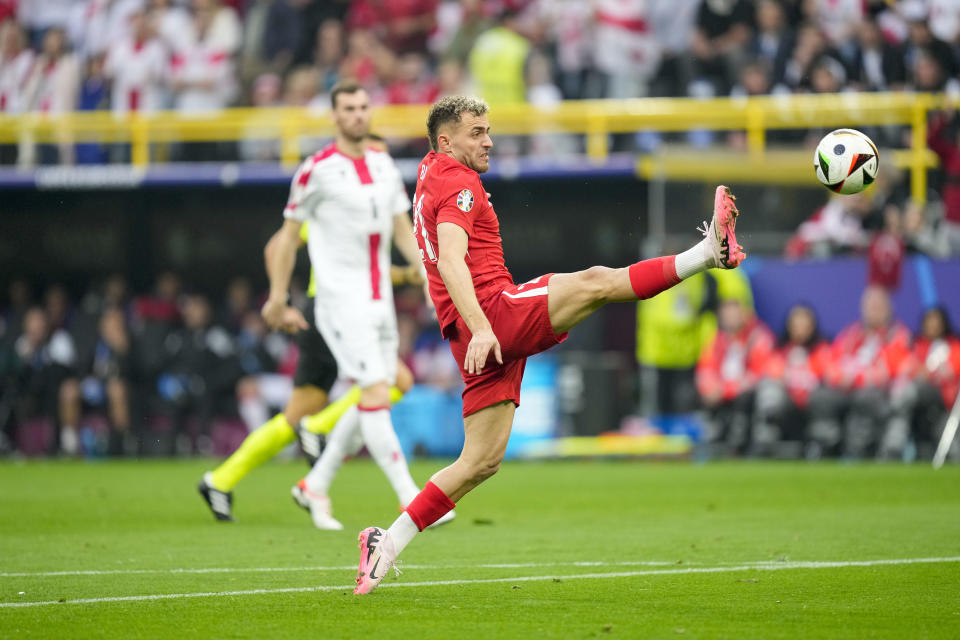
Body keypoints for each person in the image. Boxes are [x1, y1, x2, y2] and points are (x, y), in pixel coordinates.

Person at [351, 95, 746, 595]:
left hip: (468, 332)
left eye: (489, 129)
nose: (489, 140)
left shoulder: (430, 171)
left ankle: (385, 543)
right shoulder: (457, 181)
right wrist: (486, 327)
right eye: (477, 132)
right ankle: (709, 250)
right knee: (597, 281)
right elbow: (451, 261)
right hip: (491, 313)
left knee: (480, 462)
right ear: (446, 141)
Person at [252, 81, 448, 531]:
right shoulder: (315, 170)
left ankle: (315, 484)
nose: (359, 115)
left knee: (372, 394)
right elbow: (285, 240)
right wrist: (277, 299)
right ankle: (414, 499)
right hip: (340, 303)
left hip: (381, 303)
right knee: (379, 392)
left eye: (364, 107)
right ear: (335, 117)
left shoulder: (382, 164)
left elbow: (402, 228)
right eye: (349, 108)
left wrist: (426, 273)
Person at [198, 134, 422, 523]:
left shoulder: (374, 207)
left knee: (296, 414)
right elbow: (276, 247)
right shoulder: (336, 204)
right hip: (331, 313)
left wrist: (406, 274)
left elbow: (371, 270)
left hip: (352, 310)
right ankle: (318, 432)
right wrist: (279, 299)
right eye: (373, 157)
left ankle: (220, 479)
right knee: (395, 380)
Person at [695, 298, 775, 455]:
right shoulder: (716, 340)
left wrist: (725, 390)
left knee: (757, 395)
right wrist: (710, 388)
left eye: (734, 314)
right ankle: (712, 439)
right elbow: (704, 370)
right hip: (721, 394)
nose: (730, 319)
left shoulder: (758, 337)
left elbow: (759, 374)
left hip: (746, 394)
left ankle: (751, 444)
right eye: (726, 315)